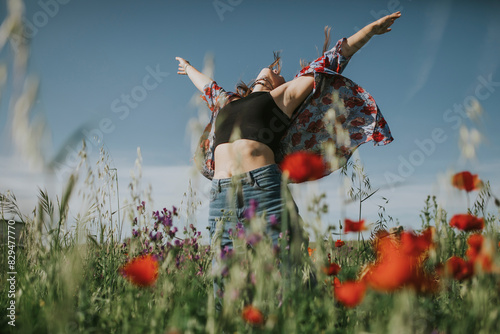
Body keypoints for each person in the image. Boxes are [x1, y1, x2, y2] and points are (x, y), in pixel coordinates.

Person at [176, 11, 400, 302]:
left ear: (277, 82)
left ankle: (299, 319)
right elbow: (207, 86)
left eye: (277, 71)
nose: (270, 69)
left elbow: (333, 59)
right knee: (225, 270)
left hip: (263, 185)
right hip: (222, 193)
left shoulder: (280, 97)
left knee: (288, 261)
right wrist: (189, 67)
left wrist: (368, 31)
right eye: (270, 67)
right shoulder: (228, 102)